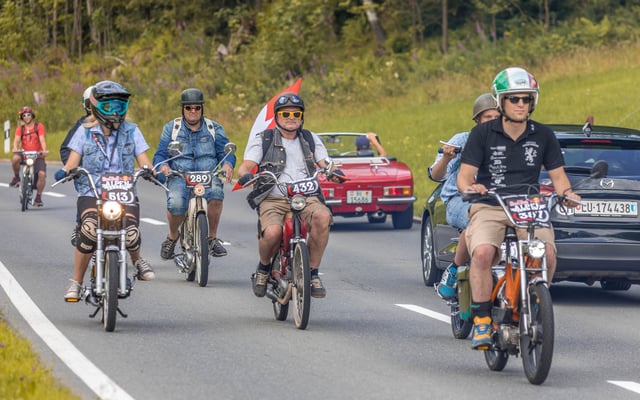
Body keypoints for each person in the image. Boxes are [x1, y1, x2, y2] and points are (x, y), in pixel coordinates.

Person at [456, 67, 580, 349]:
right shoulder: (481, 134)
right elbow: (465, 175)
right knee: (483, 252)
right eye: (514, 99)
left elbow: (559, 177)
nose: (521, 104)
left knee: (547, 253)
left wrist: (567, 194)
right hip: (490, 205)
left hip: (529, 206)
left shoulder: (544, 135)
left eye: (526, 98)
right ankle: (482, 319)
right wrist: (470, 187)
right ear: (501, 101)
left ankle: (534, 302)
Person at [55, 80, 156, 301]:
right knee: (89, 230)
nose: (115, 111)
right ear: (96, 106)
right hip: (92, 192)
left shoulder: (132, 130)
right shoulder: (84, 131)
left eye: (119, 105)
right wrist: (65, 171)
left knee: (131, 233)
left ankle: (137, 261)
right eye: (110, 106)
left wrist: (151, 171)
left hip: (123, 192)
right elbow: (72, 161)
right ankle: (76, 282)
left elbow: (144, 160)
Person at [237, 92, 342, 299]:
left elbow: (325, 163)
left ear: (302, 117)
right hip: (273, 197)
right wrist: (245, 175)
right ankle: (263, 268)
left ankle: (312, 273)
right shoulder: (264, 139)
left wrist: (334, 171)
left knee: (323, 217)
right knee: (273, 232)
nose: (291, 118)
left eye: (296, 114)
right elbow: (246, 166)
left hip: (306, 196)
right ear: (277, 117)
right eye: (285, 114)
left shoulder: (310, 139)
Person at [428, 93, 500, 299]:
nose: (492, 122)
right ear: (477, 120)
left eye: (497, 117)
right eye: (488, 117)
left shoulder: (508, 142)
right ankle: (453, 270)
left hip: (496, 200)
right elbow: (436, 175)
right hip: (460, 199)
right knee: (478, 221)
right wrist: (446, 157)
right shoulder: (463, 140)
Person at [153, 88, 236, 260]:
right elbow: (161, 154)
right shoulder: (172, 128)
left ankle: (212, 238)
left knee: (216, 194)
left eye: (197, 107)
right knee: (176, 204)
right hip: (180, 175)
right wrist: (163, 167)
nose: (193, 111)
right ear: (183, 109)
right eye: (189, 107)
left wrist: (228, 164)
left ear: (202, 108)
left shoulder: (214, 128)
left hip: (208, 174)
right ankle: (172, 236)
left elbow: (225, 151)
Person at [61, 86, 93, 247]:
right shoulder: (81, 125)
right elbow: (65, 148)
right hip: (86, 174)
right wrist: (73, 168)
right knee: (86, 198)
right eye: (91, 104)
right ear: (86, 105)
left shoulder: (118, 126)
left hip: (112, 177)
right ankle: (80, 224)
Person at [10, 106, 48, 207]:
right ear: (22, 117)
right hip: (24, 154)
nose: (26, 117)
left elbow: (42, 140)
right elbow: (16, 140)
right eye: (24, 115)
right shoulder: (20, 128)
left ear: (32, 116)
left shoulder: (38, 126)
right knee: (15, 158)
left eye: (28, 115)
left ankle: (38, 197)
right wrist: (15, 148)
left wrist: (44, 150)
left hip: (37, 154)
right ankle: (16, 177)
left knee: (42, 174)